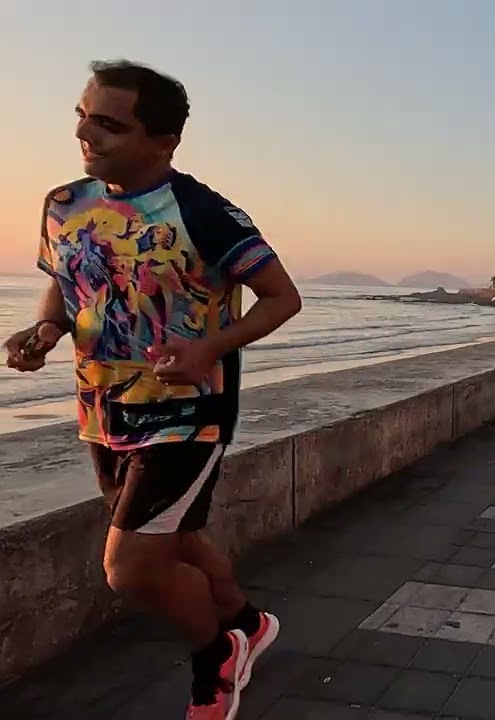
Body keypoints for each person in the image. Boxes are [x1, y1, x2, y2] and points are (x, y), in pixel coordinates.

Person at [3, 61, 302, 720]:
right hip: (102, 412)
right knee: (180, 540)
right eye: (83, 116)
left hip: (187, 415)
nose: (86, 133)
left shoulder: (204, 213)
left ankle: (217, 657)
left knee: (131, 567)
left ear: (164, 141)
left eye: (109, 124)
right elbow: (65, 281)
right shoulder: (63, 203)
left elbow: (282, 297)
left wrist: (208, 348)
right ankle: (248, 624)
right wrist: (46, 329)